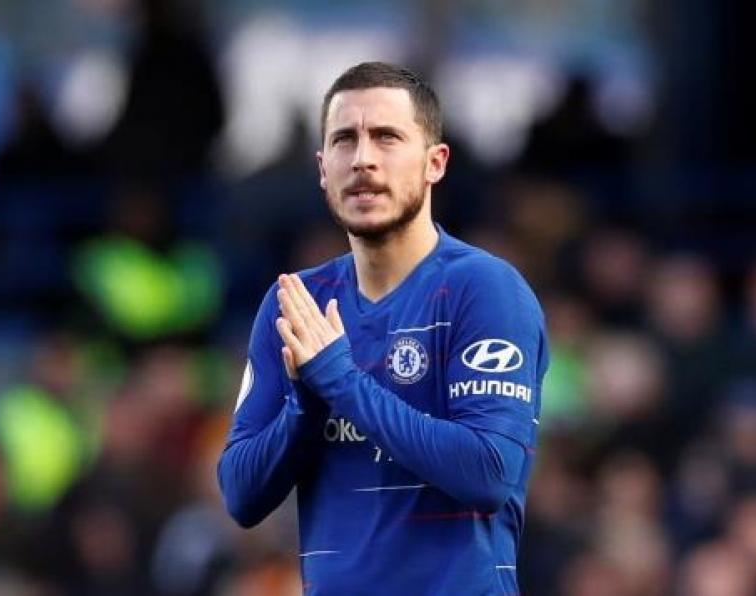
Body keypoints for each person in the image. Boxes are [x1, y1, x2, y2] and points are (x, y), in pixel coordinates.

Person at [217, 62, 549, 595]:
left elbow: (488, 472)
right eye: (344, 140)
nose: (363, 159)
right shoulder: (296, 304)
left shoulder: (485, 290)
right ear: (323, 168)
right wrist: (306, 405)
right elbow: (241, 494)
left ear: (435, 163)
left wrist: (340, 381)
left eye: (387, 137)